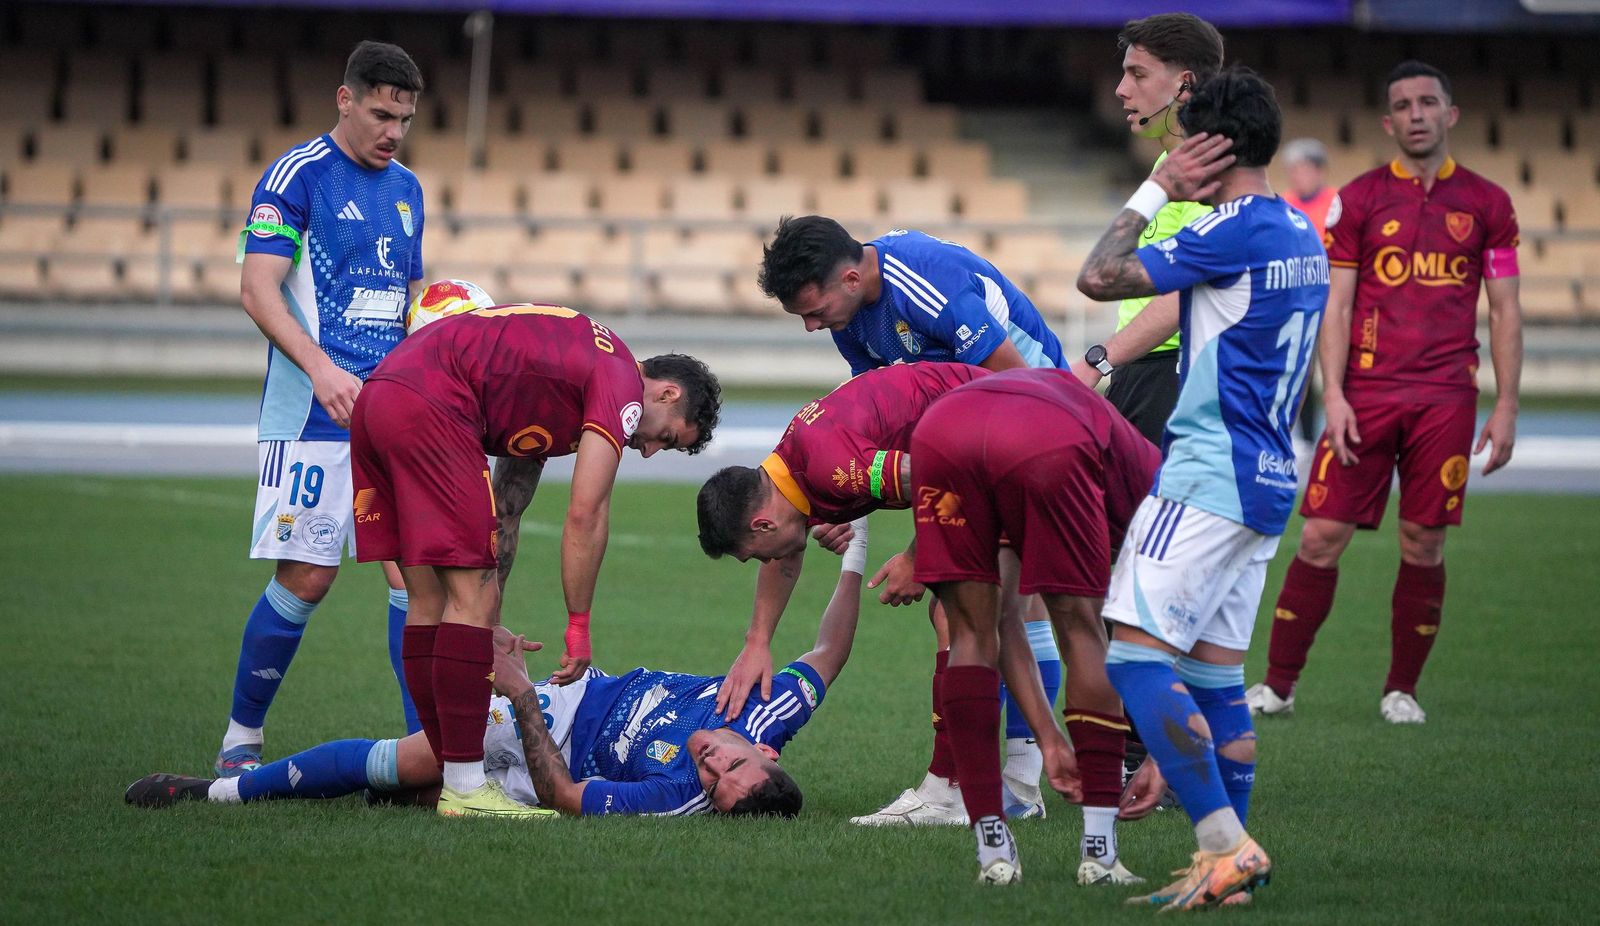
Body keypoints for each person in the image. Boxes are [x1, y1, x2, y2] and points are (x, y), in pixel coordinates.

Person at [126, 521, 868, 817]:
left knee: (418, 755)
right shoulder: (769, 711)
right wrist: (855, 549)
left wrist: (524, 701)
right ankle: (415, 777)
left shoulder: (676, 795)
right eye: (731, 765)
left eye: (716, 786)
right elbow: (829, 653)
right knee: (426, 739)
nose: (710, 765)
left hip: (545, 746)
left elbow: (568, 795)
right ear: (763, 750)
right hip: (566, 694)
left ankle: (215, 793)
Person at [1076, 67, 1328, 910]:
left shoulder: (1236, 229)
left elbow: (1099, 276)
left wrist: (1156, 189)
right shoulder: (1298, 231)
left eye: (1185, 137)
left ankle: (1224, 842)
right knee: (1218, 677)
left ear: (1208, 146)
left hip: (1208, 470)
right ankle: (1228, 870)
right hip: (1265, 478)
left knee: (1135, 654)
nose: (1175, 149)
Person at [352, 302, 720, 818]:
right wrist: (579, 625)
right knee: (467, 596)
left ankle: (443, 772)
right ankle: (463, 787)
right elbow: (586, 513)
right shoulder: (619, 383)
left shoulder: (571, 373)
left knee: (431, 599)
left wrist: (489, 623)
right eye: (665, 436)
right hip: (433, 404)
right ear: (667, 393)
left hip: (381, 396)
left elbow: (506, 506)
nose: (649, 450)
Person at [757, 217, 1069, 822]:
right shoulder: (851, 317)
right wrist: (853, 503)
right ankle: (1020, 786)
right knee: (1016, 604)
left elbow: (1011, 387)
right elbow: (888, 418)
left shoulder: (924, 283)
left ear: (851, 276)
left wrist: (926, 548)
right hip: (987, 436)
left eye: (813, 309)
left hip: (1033, 413)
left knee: (956, 601)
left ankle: (951, 790)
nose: (811, 325)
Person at [1248, 61, 1522, 725]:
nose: (1417, 113)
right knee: (1320, 536)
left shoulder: (1489, 204)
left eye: (1429, 101)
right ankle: (1278, 686)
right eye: (1403, 105)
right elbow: (1335, 306)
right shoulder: (1361, 199)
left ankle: (1402, 690)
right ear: (1388, 122)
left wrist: (1507, 403)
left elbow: (1505, 310)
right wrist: (1333, 395)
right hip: (1365, 396)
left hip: (1446, 399)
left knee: (1424, 542)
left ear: (1450, 114)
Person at [215, 41, 427, 778]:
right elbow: (258, 289)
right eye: (379, 113)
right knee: (308, 577)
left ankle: (428, 754)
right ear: (345, 99)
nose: (392, 131)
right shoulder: (296, 175)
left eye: (403, 117)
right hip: (311, 410)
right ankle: (241, 737)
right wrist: (323, 369)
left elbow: (409, 304)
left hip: (391, 416)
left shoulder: (408, 188)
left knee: (414, 576)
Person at [908, 367, 1163, 885]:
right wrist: (1165, 749)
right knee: (1081, 628)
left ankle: (994, 855)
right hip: (1045, 438)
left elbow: (1005, 620)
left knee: (972, 632)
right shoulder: (1155, 484)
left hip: (940, 431)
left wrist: (1049, 739)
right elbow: (1158, 629)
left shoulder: (1121, 449)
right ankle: (1100, 852)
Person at [1075, 13, 1223, 446]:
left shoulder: (1206, 169)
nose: (1121, 89)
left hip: (1173, 373)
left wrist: (1097, 362)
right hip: (1145, 369)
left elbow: (1188, 291)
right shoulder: (1169, 163)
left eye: (1137, 74)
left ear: (1184, 84)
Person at [1280, 137, 1338, 445]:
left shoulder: (1335, 204)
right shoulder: (1283, 203)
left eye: (1300, 168)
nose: (1294, 175)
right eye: (1291, 169)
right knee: (1297, 371)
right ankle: (1302, 438)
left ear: (1317, 170)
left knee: (1335, 369)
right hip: (1290, 302)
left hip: (1330, 302)